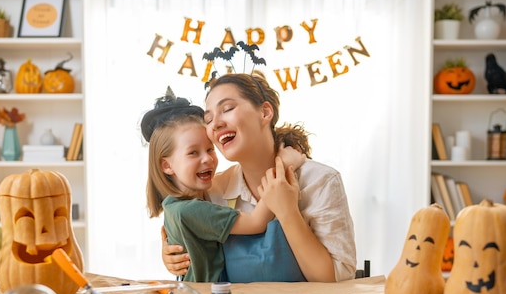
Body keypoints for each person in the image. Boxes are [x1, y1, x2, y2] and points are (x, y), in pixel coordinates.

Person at [162, 73, 357, 282]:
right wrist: (170, 251)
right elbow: (183, 220)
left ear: (265, 113)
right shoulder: (214, 190)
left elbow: (336, 281)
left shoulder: (320, 181)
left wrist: (288, 211)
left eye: (227, 109)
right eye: (208, 120)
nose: (216, 124)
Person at [141, 88, 303, 282]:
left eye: (210, 149)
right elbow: (256, 222)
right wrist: (282, 166)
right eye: (193, 153)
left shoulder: (173, 206)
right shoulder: (192, 210)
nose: (207, 159)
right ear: (166, 165)